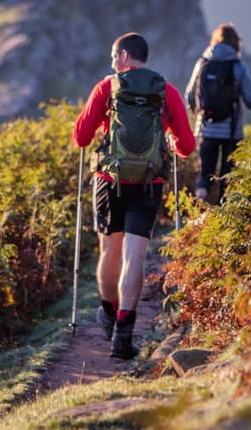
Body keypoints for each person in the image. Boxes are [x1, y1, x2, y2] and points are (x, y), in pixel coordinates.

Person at [73, 32, 196, 360]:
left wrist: (104, 123)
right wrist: (170, 142)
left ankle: (109, 315)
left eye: (114, 57)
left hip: (108, 181)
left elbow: (81, 137)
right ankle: (124, 335)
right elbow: (187, 146)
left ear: (124, 56)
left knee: (109, 252)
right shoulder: (165, 91)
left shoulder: (106, 88)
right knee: (135, 256)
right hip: (148, 182)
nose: (112, 63)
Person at [184, 23, 251, 205]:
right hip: (231, 131)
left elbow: (189, 96)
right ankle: (224, 218)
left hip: (205, 128)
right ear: (236, 43)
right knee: (228, 175)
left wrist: (199, 114)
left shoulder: (202, 63)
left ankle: (199, 206)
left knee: (205, 173)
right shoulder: (238, 66)